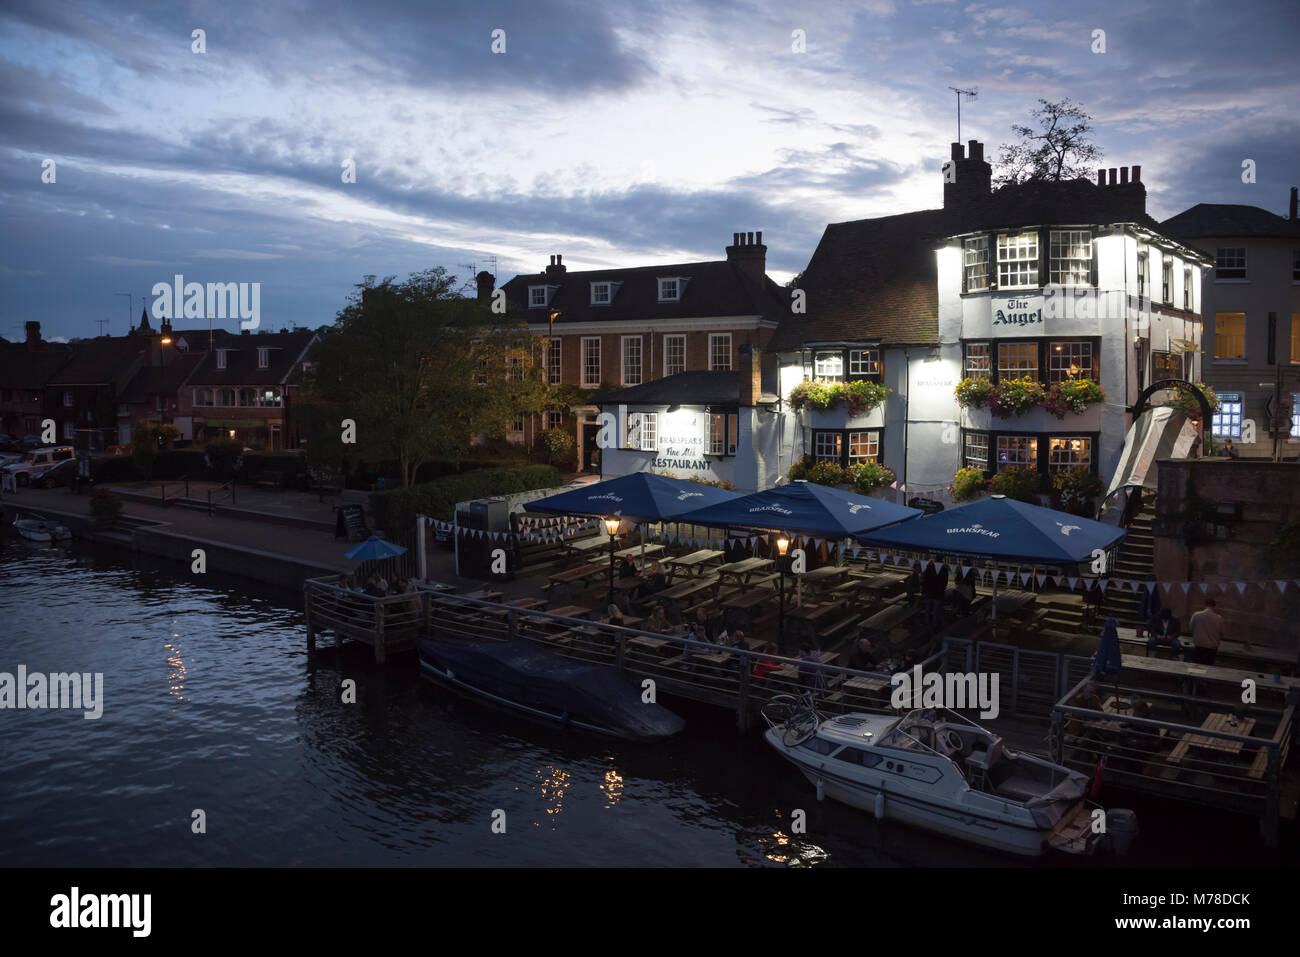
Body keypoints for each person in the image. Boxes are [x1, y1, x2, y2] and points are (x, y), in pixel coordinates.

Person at [1188, 598, 1225, 665]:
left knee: (1196, 665)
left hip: (1199, 644)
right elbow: (1222, 632)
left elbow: (1191, 628)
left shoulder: (1196, 615)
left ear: (1205, 605)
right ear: (1214, 606)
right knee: (1208, 666)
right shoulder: (1219, 618)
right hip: (1212, 646)